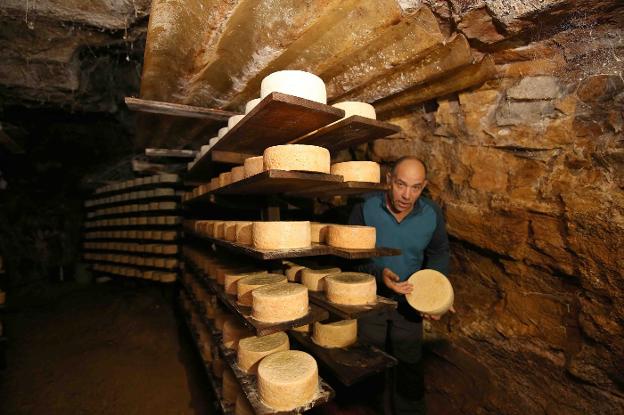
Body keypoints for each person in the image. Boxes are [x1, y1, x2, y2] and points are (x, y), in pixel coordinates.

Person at [348, 156, 452, 415]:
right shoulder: (364, 207)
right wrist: (377, 272)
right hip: (369, 300)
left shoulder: (431, 213)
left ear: (424, 186)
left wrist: (434, 292)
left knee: (409, 367)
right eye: (400, 184)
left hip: (409, 303)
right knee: (369, 363)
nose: (407, 194)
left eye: (415, 187)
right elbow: (348, 256)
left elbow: (439, 252)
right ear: (389, 180)